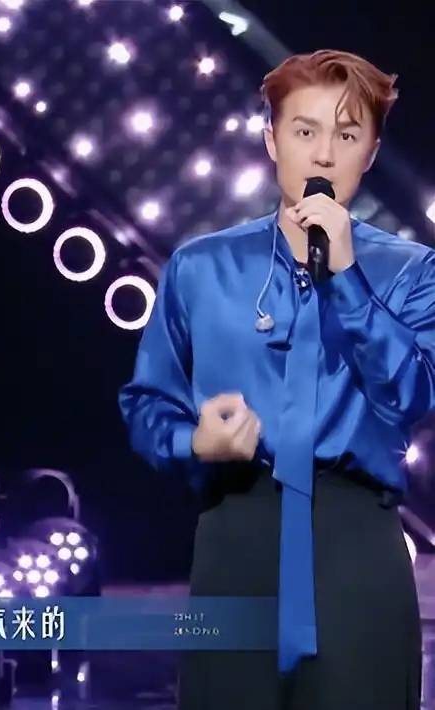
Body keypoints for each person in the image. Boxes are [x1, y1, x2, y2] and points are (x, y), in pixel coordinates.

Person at [120, 49, 432, 709]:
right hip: (239, 528)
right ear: (271, 140)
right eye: (304, 131)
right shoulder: (201, 267)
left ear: (371, 153)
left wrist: (347, 277)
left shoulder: (412, 271)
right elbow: (146, 404)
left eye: (346, 135)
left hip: (355, 543)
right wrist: (193, 442)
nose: (323, 155)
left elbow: (413, 395)